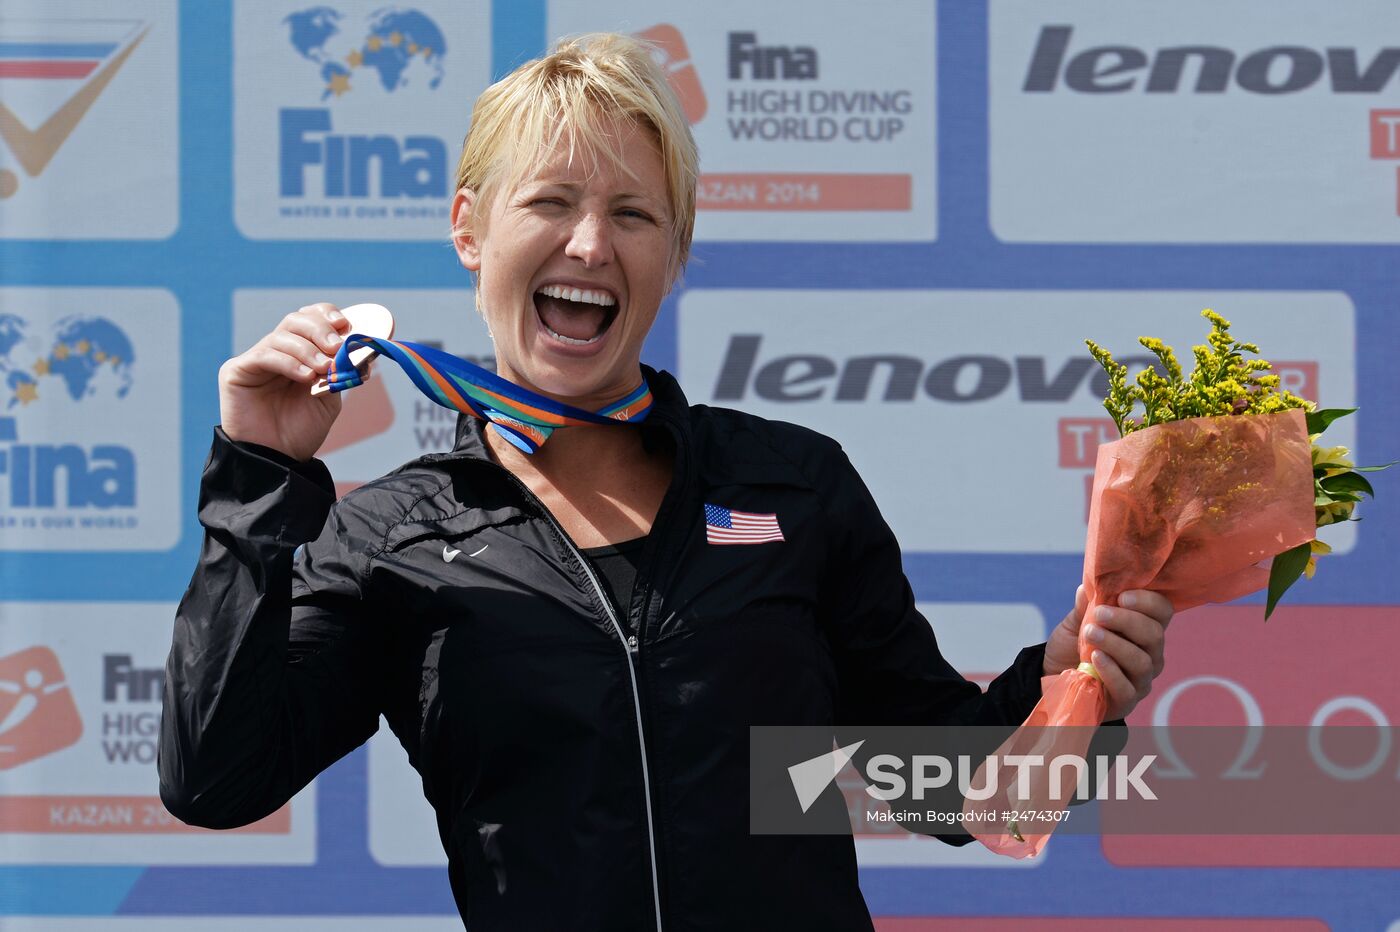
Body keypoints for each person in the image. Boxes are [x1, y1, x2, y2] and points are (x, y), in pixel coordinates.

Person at [159, 33, 1172, 931]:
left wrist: (1064, 684)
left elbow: (956, 792)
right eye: (550, 201)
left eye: (633, 213)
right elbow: (215, 777)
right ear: (470, 228)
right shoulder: (394, 534)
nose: (590, 243)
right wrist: (259, 477)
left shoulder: (791, 482)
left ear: (673, 251)